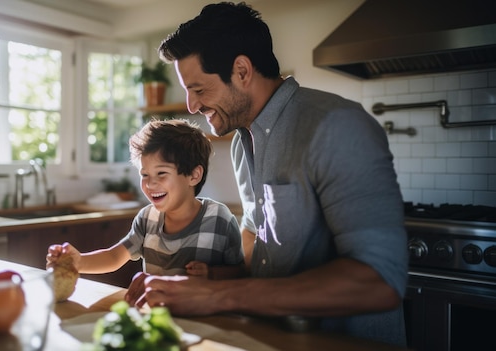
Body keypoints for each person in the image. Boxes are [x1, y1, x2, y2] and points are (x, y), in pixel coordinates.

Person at [124, 2, 408, 347]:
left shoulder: (336, 125)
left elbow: (379, 282)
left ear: (242, 70)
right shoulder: (244, 141)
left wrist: (219, 296)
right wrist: (180, 282)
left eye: (199, 89)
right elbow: (257, 248)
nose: (192, 106)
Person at [46, 119, 244, 282]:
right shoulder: (147, 218)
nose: (150, 184)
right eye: (145, 174)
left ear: (193, 175)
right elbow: (115, 256)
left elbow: (242, 272)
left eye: (161, 173)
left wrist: (212, 274)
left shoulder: (220, 219)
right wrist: (78, 261)